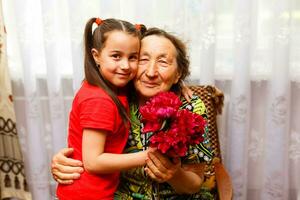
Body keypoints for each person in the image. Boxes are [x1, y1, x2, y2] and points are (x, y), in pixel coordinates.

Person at [52, 26, 215, 200]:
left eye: (163, 62)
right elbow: (88, 150)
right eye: (143, 59)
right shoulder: (114, 98)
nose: (151, 72)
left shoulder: (191, 108)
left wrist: (173, 174)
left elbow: (195, 183)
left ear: (178, 74)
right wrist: (62, 161)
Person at [56, 17, 156, 200]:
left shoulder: (113, 87)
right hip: (88, 195)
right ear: (96, 56)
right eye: (116, 56)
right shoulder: (99, 99)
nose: (125, 66)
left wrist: (179, 86)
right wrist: (149, 155)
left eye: (133, 57)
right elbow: (93, 162)